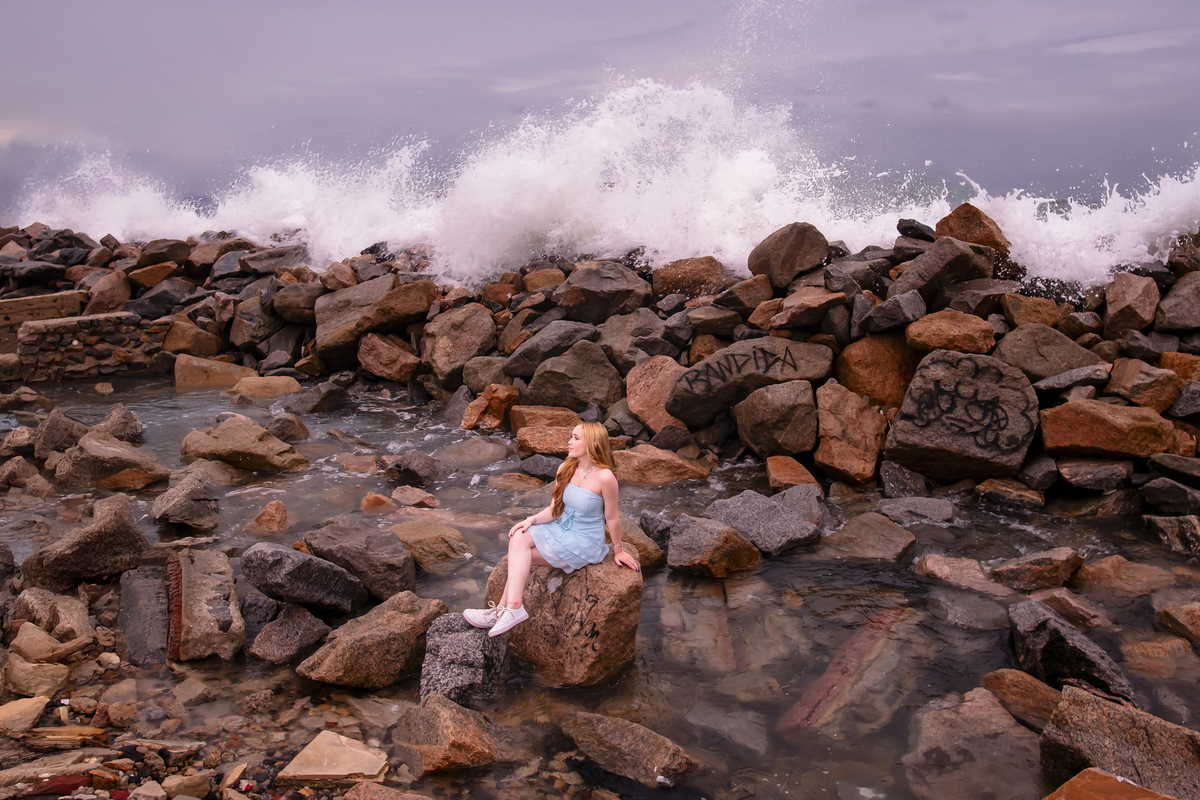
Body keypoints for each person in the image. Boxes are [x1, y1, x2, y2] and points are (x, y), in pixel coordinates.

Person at [463, 422, 641, 636]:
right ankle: (507, 609)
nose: (569, 442)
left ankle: (506, 610)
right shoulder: (566, 469)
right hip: (560, 530)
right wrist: (531, 520)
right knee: (519, 538)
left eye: (576, 438)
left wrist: (618, 549)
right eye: (571, 436)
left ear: (592, 443)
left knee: (519, 553)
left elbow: (611, 517)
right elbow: (555, 510)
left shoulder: (605, 477)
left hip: (584, 541)